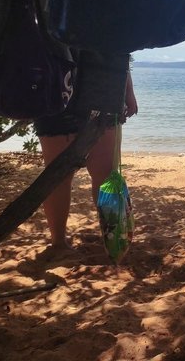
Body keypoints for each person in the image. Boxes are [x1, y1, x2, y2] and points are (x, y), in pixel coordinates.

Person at [34, 69, 138, 252]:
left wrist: (128, 91)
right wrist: (128, 91)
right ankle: (112, 241)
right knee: (74, 176)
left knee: (60, 177)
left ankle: (60, 242)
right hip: (97, 86)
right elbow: (121, 43)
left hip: (60, 85)